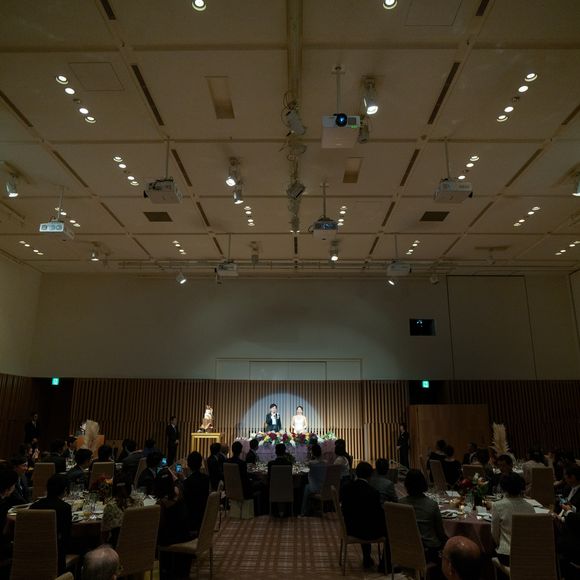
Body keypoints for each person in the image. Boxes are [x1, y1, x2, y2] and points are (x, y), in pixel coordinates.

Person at [341, 462, 391, 572]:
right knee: (390, 529)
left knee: (364, 519)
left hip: (349, 528)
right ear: (370, 475)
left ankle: (367, 557)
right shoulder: (373, 492)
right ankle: (385, 565)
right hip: (366, 532)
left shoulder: (346, 488)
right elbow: (377, 515)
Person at [400, 469, 448, 564]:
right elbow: (440, 532)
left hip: (405, 547)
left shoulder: (399, 504)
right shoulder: (432, 505)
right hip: (428, 550)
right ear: (423, 484)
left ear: (406, 485)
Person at [155, 468, 193, 580]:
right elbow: (178, 483)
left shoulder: (162, 503)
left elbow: (160, 525)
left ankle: (162, 572)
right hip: (185, 534)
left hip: (172, 538)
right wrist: (174, 477)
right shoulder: (179, 492)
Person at [30, 474, 72, 574]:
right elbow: (66, 535)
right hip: (57, 554)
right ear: (65, 490)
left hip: (34, 550)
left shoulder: (34, 506)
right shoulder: (65, 507)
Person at [491, 473, 535, 566]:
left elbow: (494, 533)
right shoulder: (530, 508)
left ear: (503, 488)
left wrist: (499, 545)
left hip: (506, 555)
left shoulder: (498, 506)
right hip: (527, 555)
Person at [101, 473, 143, 546]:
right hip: (138, 544)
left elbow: (104, 533)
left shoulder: (111, 507)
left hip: (117, 548)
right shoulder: (139, 502)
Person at [182, 451, 209, 534]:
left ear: (188, 465)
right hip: (203, 516)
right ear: (201, 464)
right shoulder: (206, 479)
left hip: (191, 519)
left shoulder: (187, 482)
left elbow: (186, 501)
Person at [300, 443, 327, 516]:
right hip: (324, 487)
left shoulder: (311, 463)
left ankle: (303, 511)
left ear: (312, 453)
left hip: (314, 488)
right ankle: (310, 509)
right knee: (307, 487)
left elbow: (303, 468)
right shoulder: (325, 462)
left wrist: (309, 455)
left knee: (306, 487)